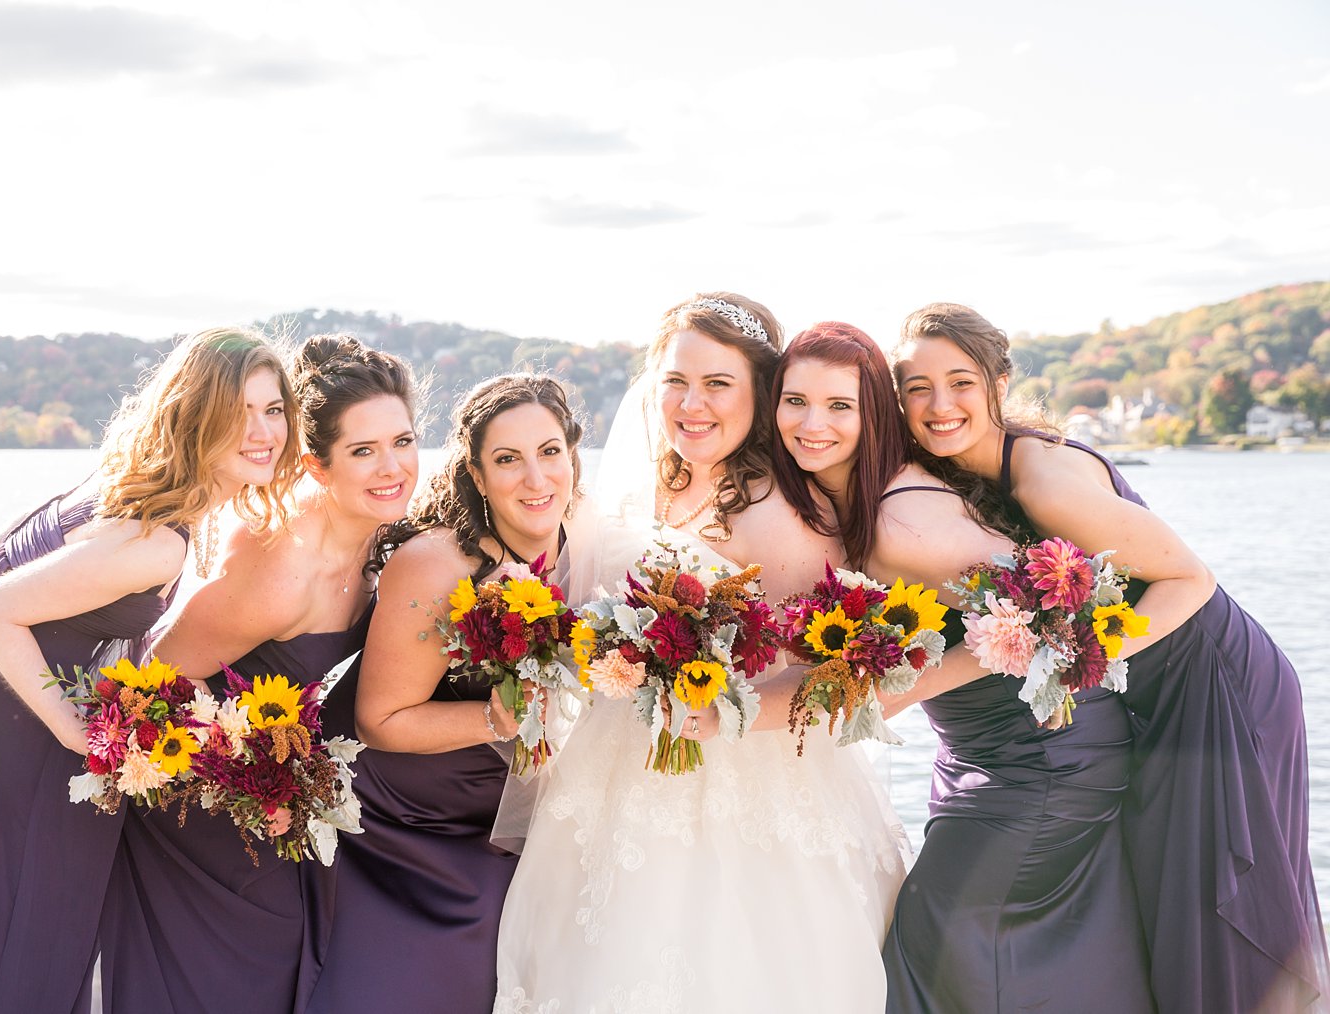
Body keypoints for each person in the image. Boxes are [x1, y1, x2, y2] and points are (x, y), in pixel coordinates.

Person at [0, 326, 299, 1013]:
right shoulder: (157, 540)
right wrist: (74, 730)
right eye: (238, 410)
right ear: (193, 414)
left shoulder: (125, 480)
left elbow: (6, 554)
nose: (262, 430)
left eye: (272, 409)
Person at [889, 302, 1328, 1013]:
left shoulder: (1041, 482)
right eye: (917, 387)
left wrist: (1068, 658)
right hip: (1152, 687)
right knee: (1166, 900)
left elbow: (1193, 580)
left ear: (998, 384)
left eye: (961, 382)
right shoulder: (963, 475)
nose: (940, 405)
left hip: (1215, 680)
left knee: (1214, 908)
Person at [494, 295, 909, 1013]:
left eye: (719, 384)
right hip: (614, 768)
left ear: (759, 393)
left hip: (745, 790)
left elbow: (837, 674)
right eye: (676, 381)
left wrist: (716, 705)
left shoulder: (781, 514)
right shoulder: (643, 483)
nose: (692, 404)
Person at [772, 321, 1153, 1014]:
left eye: (839, 405)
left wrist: (894, 695)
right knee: (988, 973)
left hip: (1047, 760)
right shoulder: (860, 500)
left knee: (928, 957)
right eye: (794, 401)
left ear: (874, 414)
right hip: (992, 757)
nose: (812, 423)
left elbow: (1049, 615)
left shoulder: (904, 520)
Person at [95, 334, 420, 1013]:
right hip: (203, 827)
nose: (393, 467)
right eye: (364, 451)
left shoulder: (387, 545)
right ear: (317, 465)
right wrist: (249, 781)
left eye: (404, 441)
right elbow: (142, 693)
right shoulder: (280, 572)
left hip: (282, 819)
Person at [308, 373, 585, 1013]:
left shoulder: (591, 553)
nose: (536, 479)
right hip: (406, 825)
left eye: (549, 452)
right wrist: (496, 718)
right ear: (478, 477)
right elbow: (381, 719)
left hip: (510, 813)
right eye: (507, 460)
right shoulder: (437, 563)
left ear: (573, 456)